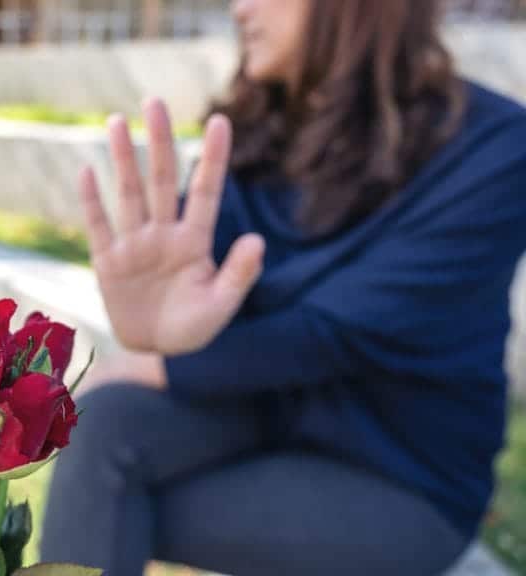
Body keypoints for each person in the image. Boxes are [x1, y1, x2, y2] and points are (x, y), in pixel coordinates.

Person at [40, 0, 526, 574]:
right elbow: (199, 293)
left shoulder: (495, 148)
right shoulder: (256, 128)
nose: (238, 7)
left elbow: (337, 333)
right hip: (256, 410)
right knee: (104, 426)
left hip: (397, 470)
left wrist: (158, 367)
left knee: (103, 505)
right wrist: (157, 327)